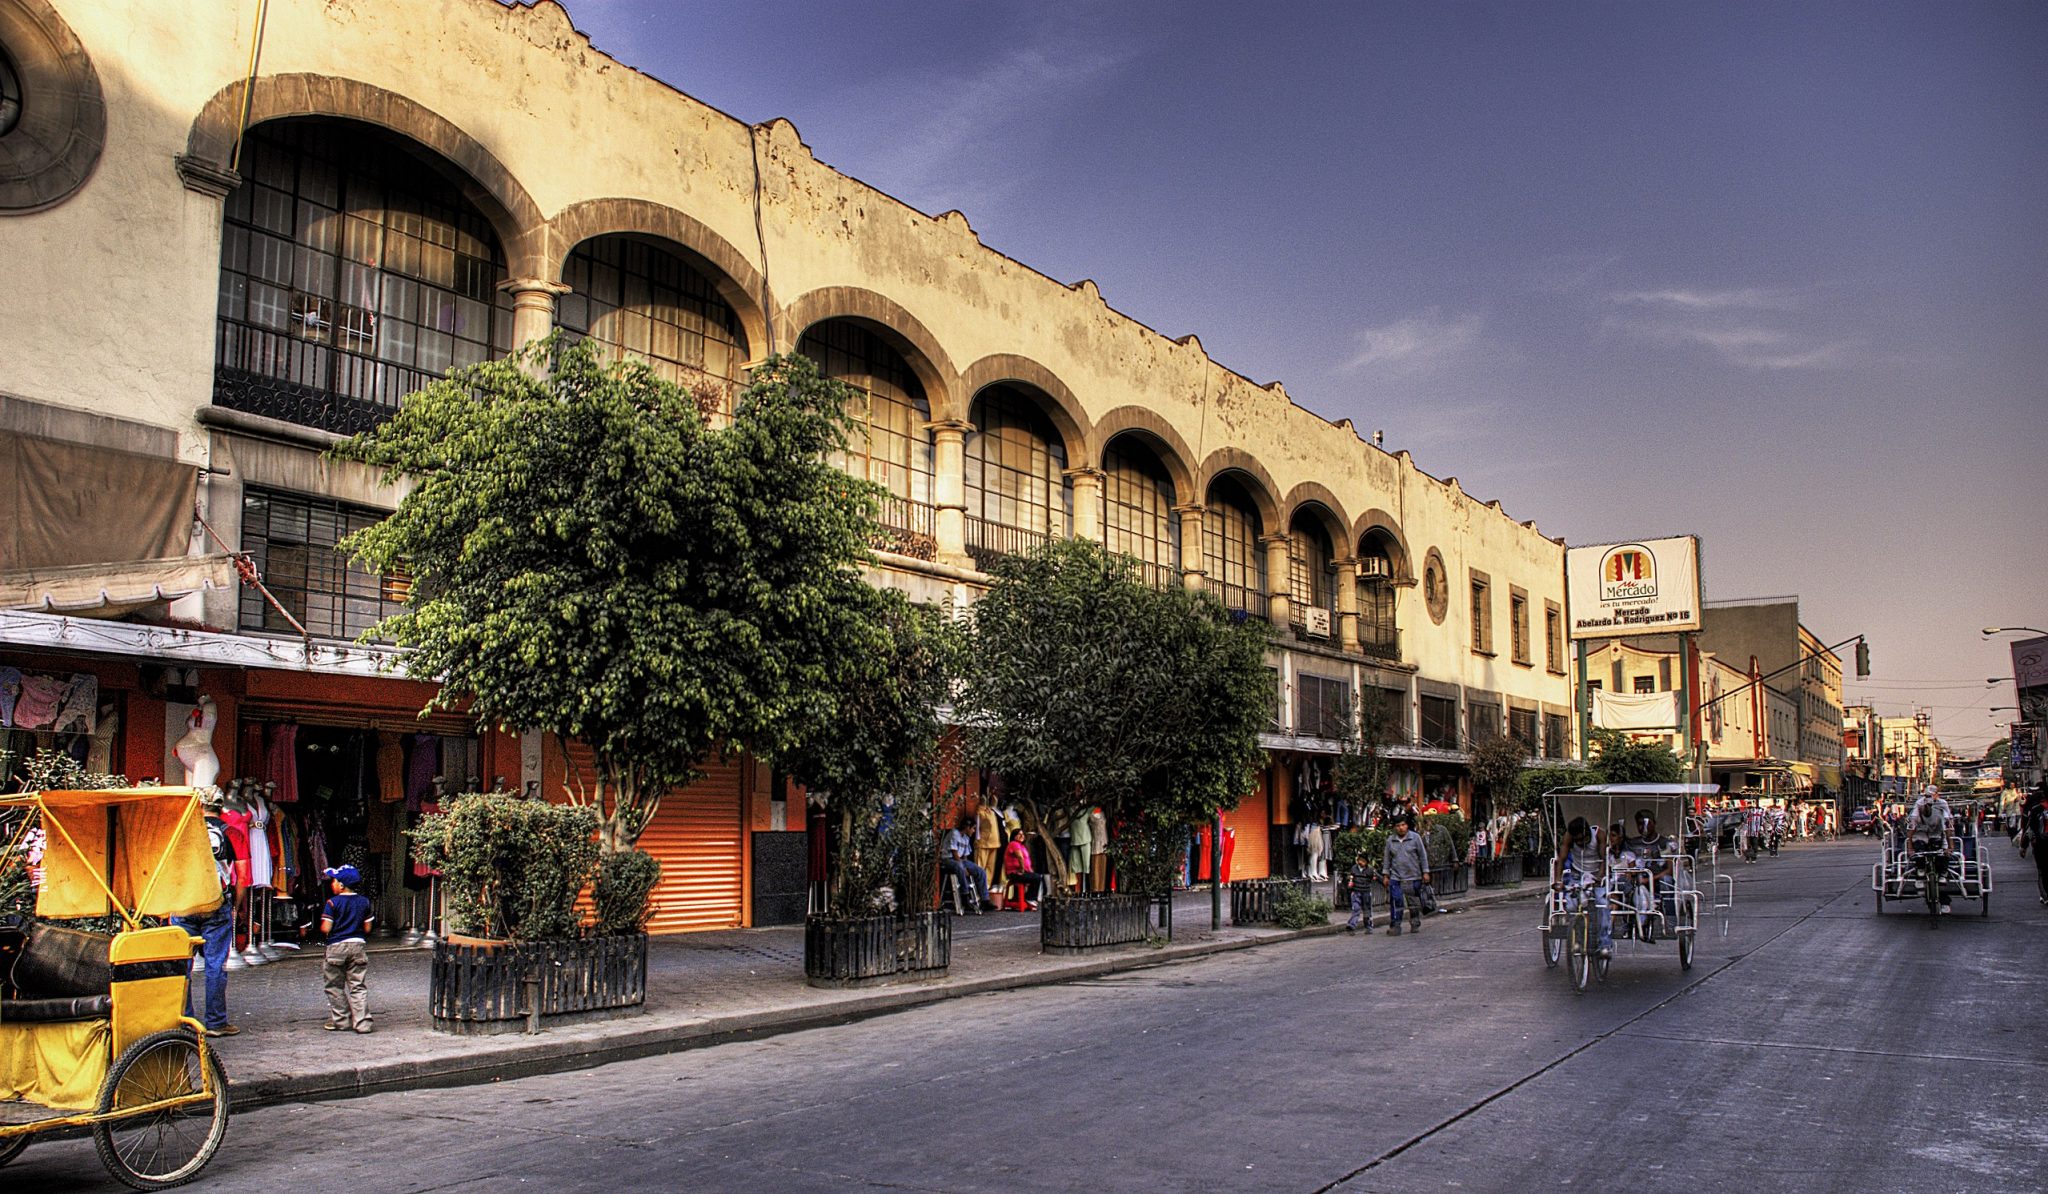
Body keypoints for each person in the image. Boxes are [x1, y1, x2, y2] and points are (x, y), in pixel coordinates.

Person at [175, 802, 240, 1037]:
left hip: (184, 903)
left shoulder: (182, 830)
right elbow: (242, 875)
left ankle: (184, 1020)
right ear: (221, 808)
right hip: (216, 903)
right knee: (215, 964)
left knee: (182, 965)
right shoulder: (230, 832)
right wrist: (237, 906)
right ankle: (216, 1022)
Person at [319, 865, 375, 1034]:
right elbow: (367, 928)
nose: (332, 884)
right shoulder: (364, 902)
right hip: (358, 946)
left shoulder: (332, 903)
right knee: (358, 986)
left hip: (336, 947)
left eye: (334, 881)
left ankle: (342, 1021)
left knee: (334, 986)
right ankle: (363, 1023)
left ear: (341, 885)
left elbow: (326, 927)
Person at [1553, 816, 1612, 958]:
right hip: (1577, 873)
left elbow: (1604, 859)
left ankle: (1604, 945)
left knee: (1602, 903)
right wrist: (1558, 880)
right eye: (1577, 841)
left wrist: (1599, 877)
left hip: (1596, 873)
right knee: (1572, 905)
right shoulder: (1568, 836)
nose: (1579, 843)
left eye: (1582, 839)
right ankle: (1578, 939)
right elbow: (1561, 859)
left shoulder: (1599, 834)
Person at [1907, 786, 1953, 914]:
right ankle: (1920, 871)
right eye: (1926, 796)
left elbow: (1947, 828)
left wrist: (1949, 847)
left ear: (1937, 795)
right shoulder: (1918, 805)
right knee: (1919, 849)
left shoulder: (1941, 807)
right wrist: (1910, 847)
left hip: (1937, 834)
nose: (1928, 799)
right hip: (1921, 834)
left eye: (1931, 796)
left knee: (1941, 855)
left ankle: (1943, 877)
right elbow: (1911, 828)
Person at [1382, 813, 1430, 936]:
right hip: (1396, 877)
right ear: (1395, 827)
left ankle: (1415, 922)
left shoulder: (1415, 838)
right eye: (1398, 826)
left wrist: (1425, 872)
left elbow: (1422, 856)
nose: (1401, 828)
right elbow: (1387, 859)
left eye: (1403, 825)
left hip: (1413, 876)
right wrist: (1386, 875)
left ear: (1407, 826)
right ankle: (1395, 925)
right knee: (1396, 901)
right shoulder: (1390, 840)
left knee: (1413, 903)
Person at [941, 816, 993, 913]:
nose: (974, 831)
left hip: (960, 860)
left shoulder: (966, 838)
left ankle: (985, 900)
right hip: (948, 859)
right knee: (960, 867)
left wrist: (968, 867)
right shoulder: (954, 833)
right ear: (967, 827)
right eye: (973, 828)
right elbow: (954, 853)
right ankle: (965, 896)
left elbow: (965, 857)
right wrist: (964, 868)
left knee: (980, 871)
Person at [1001, 830, 1046, 911]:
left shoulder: (1021, 846)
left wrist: (1030, 872)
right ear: (1014, 836)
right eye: (1019, 834)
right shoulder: (1014, 844)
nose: (1022, 836)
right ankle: (1030, 898)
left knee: (1036, 876)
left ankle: (1024, 899)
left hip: (1022, 872)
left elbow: (1026, 861)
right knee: (1037, 877)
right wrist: (1022, 869)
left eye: (1022, 834)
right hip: (1014, 873)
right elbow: (1020, 857)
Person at [1344, 851, 1377, 933]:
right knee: (1356, 908)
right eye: (1360, 860)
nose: (1361, 862)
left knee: (1367, 910)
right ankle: (1351, 925)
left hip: (1366, 891)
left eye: (1363, 861)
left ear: (1366, 862)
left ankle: (1368, 926)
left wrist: (1383, 881)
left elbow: (1376, 877)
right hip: (1356, 891)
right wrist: (1350, 882)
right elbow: (1350, 877)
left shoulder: (1370, 870)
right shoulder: (1354, 868)